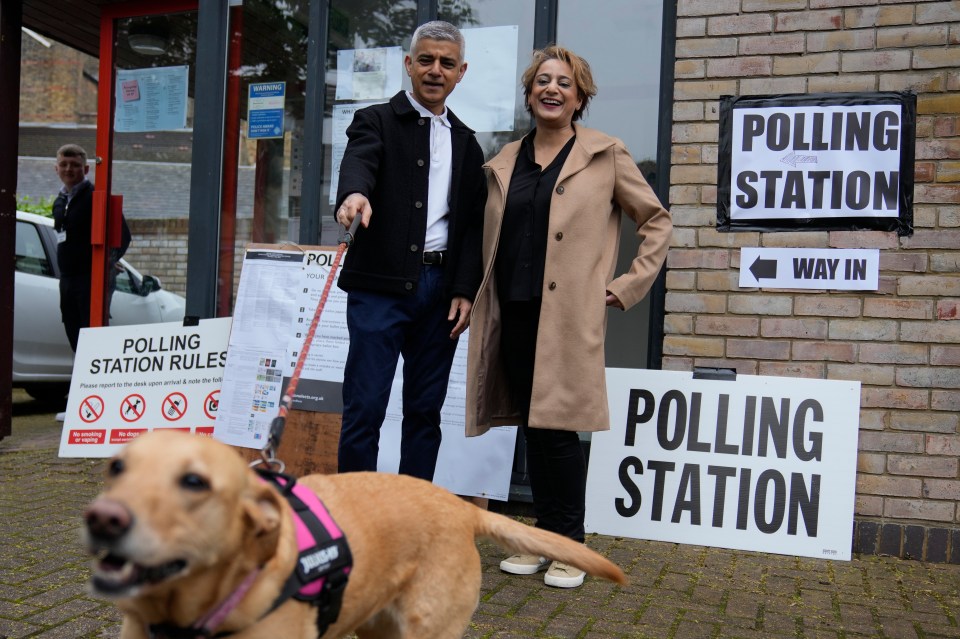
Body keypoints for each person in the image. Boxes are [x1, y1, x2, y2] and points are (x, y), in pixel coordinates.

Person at [465, 46, 673, 588]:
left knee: (556, 431)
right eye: (542, 81)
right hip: (511, 311)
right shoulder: (505, 158)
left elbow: (656, 221)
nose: (551, 89)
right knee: (533, 428)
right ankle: (545, 539)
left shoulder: (605, 154)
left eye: (564, 82)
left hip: (564, 316)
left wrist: (627, 285)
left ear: (580, 96)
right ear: (530, 93)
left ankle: (570, 545)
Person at [333, 21, 485, 481]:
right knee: (365, 407)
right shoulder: (374, 120)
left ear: (461, 72)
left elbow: (473, 226)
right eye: (426, 60)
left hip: (440, 294)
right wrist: (354, 194)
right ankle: (355, 516)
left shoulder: (468, 142)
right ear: (408, 65)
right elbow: (360, 158)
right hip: (379, 286)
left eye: (446, 63)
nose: (435, 70)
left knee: (424, 412)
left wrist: (463, 289)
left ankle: (413, 515)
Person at [53, 143, 131, 352]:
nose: (69, 169)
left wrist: (107, 262)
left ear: (86, 169)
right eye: (64, 164)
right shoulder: (59, 201)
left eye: (75, 165)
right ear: (56, 168)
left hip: (90, 280)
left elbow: (123, 236)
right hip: (67, 280)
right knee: (73, 334)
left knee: (93, 339)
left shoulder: (96, 197)